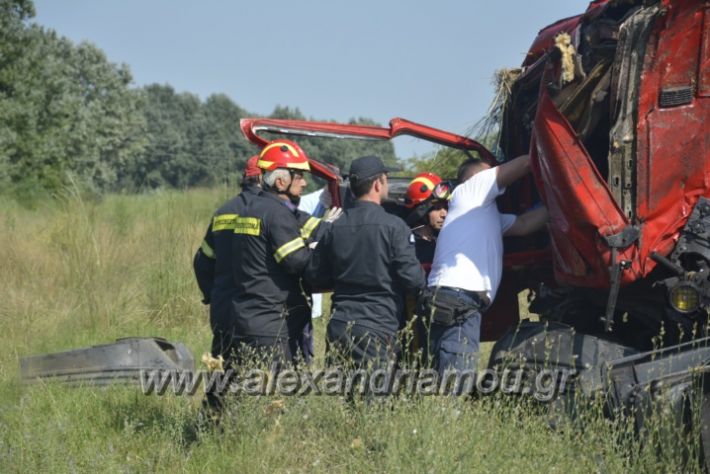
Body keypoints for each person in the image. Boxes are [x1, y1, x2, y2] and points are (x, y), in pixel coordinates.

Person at [423, 155, 548, 377]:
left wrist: (557, 203)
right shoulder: (470, 191)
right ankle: (451, 410)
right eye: (489, 171)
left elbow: (523, 224)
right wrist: (552, 149)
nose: (494, 173)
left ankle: (440, 408)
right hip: (460, 296)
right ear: (475, 177)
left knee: (444, 369)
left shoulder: (482, 213)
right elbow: (527, 163)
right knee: (458, 376)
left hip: (452, 295)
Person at [305, 155, 426, 371]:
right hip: (378, 325)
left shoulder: (334, 227)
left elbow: (315, 276)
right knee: (374, 400)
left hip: (339, 325)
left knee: (346, 399)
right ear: (378, 183)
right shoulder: (395, 226)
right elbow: (414, 280)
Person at [230, 139, 325, 369]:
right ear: (281, 181)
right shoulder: (277, 214)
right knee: (277, 394)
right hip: (272, 322)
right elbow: (296, 262)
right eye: (299, 176)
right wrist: (319, 253)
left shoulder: (250, 210)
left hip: (245, 316)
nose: (304, 183)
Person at [193, 155, 262, 412]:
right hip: (256, 309)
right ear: (265, 179)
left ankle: (213, 417)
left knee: (221, 367)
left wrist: (212, 294)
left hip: (222, 307)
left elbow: (202, 261)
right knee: (257, 371)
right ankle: (249, 422)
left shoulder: (222, 213)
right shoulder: (269, 211)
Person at [402, 172, 452, 362]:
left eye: (446, 207)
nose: (444, 214)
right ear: (421, 212)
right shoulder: (406, 246)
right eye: (436, 208)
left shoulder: (445, 242)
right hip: (412, 321)